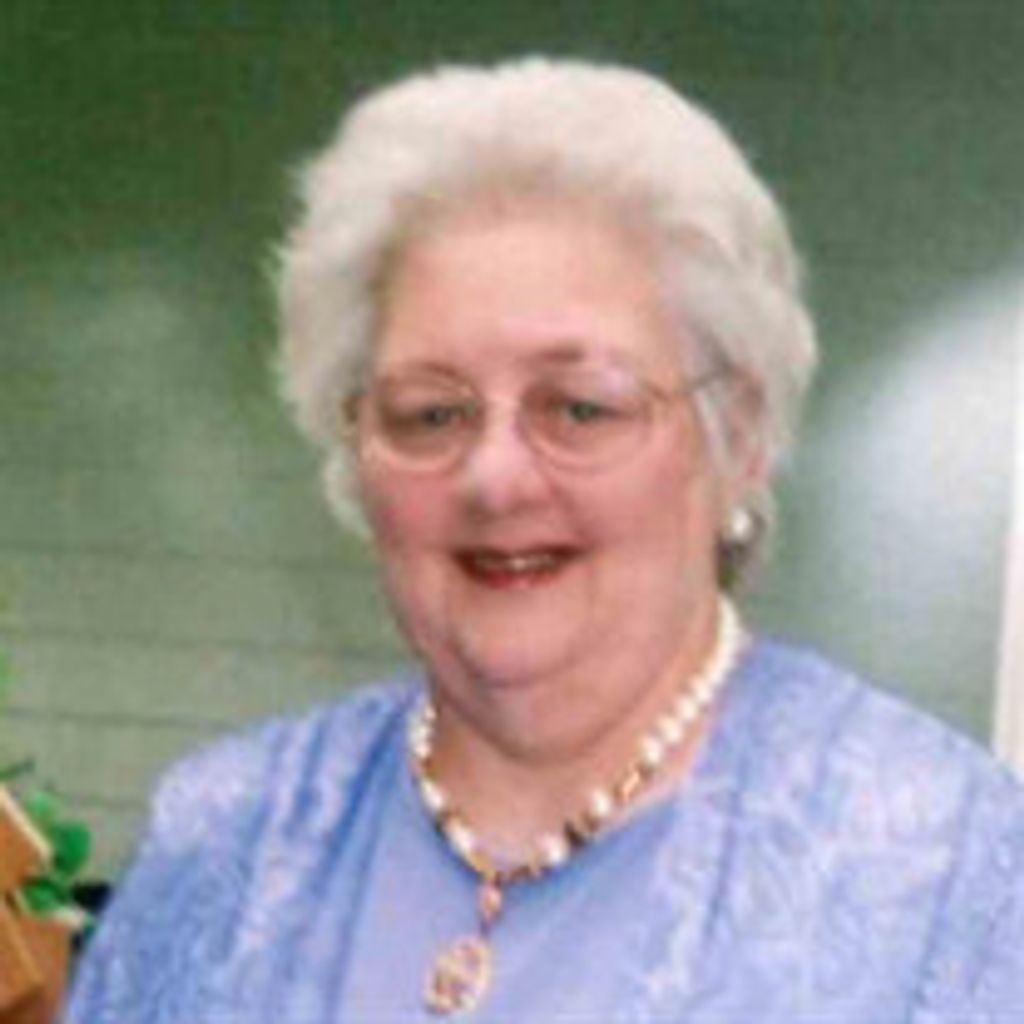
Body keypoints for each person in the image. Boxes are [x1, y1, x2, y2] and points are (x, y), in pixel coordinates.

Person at [64, 57, 1024, 1023]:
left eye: (580, 406)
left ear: (738, 438)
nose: (495, 478)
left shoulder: (949, 875)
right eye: (431, 414)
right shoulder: (221, 839)